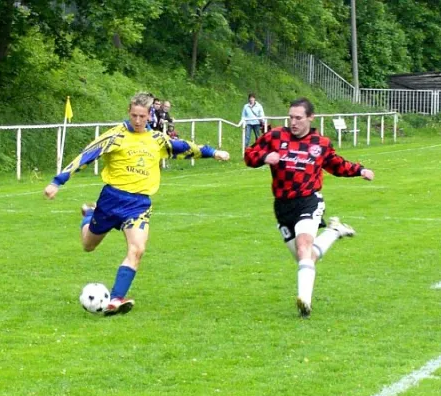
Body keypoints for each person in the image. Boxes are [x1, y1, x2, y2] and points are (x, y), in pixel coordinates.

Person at [44, 92, 230, 316]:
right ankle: (89, 214)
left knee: (137, 249)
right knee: (88, 245)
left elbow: (182, 147)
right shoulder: (115, 136)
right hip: (112, 199)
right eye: (134, 115)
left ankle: (115, 299)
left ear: (149, 114)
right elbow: (86, 156)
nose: (138, 120)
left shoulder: (157, 139)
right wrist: (57, 181)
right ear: (129, 113)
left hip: (139, 204)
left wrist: (213, 152)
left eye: (142, 116)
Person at [244, 97, 374, 318]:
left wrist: (360, 170)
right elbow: (249, 155)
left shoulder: (320, 143)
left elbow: (336, 164)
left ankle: (305, 301)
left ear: (310, 118)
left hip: (309, 200)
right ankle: (334, 231)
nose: (293, 122)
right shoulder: (275, 136)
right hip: (283, 206)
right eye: (291, 117)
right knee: (306, 257)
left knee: (304, 247)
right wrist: (266, 156)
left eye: (298, 118)